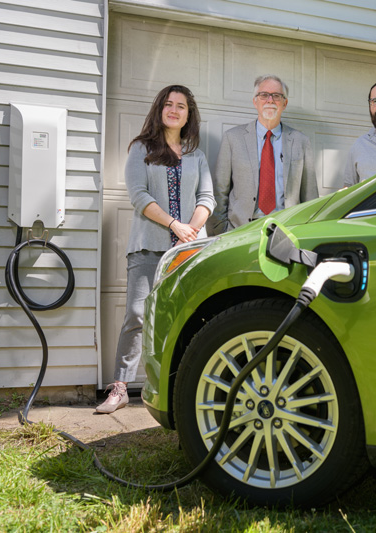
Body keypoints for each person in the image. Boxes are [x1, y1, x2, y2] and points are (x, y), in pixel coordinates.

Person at [97, 85, 215, 414]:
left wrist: (189, 232)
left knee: (186, 316)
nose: (174, 110)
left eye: (181, 106)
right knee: (136, 315)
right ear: (159, 110)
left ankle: (182, 388)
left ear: (189, 114)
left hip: (189, 252)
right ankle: (120, 387)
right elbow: (139, 196)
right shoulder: (141, 149)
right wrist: (174, 226)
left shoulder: (197, 155)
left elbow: (208, 198)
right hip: (148, 246)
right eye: (168, 104)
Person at [209, 74, 318, 234]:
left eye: (277, 96)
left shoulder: (301, 142)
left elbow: (310, 197)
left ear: (285, 103)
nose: (270, 100)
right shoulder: (233, 138)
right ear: (255, 101)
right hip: (241, 230)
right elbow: (220, 191)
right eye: (264, 95)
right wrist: (221, 232)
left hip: (286, 231)